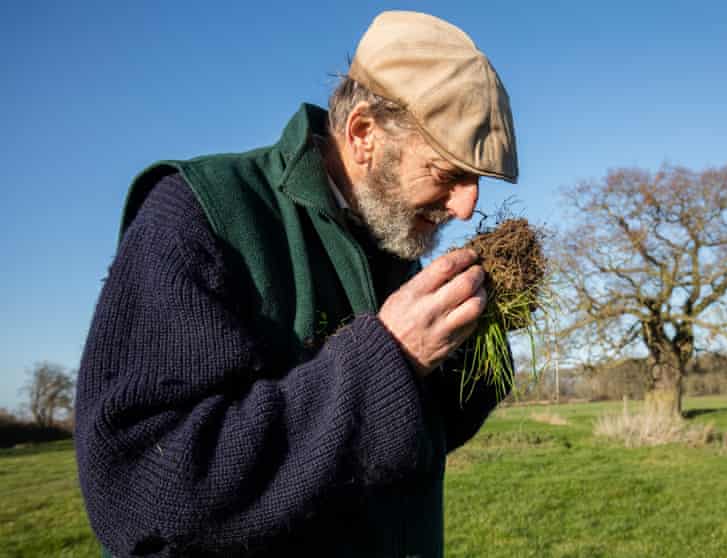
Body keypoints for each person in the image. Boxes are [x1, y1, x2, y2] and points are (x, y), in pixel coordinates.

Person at [75, 11, 518, 557]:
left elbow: (416, 442)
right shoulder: (201, 216)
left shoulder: (391, 241)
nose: (468, 206)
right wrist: (388, 360)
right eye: (448, 173)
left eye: (476, 181)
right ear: (363, 134)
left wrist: (471, 347)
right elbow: (137, 489)